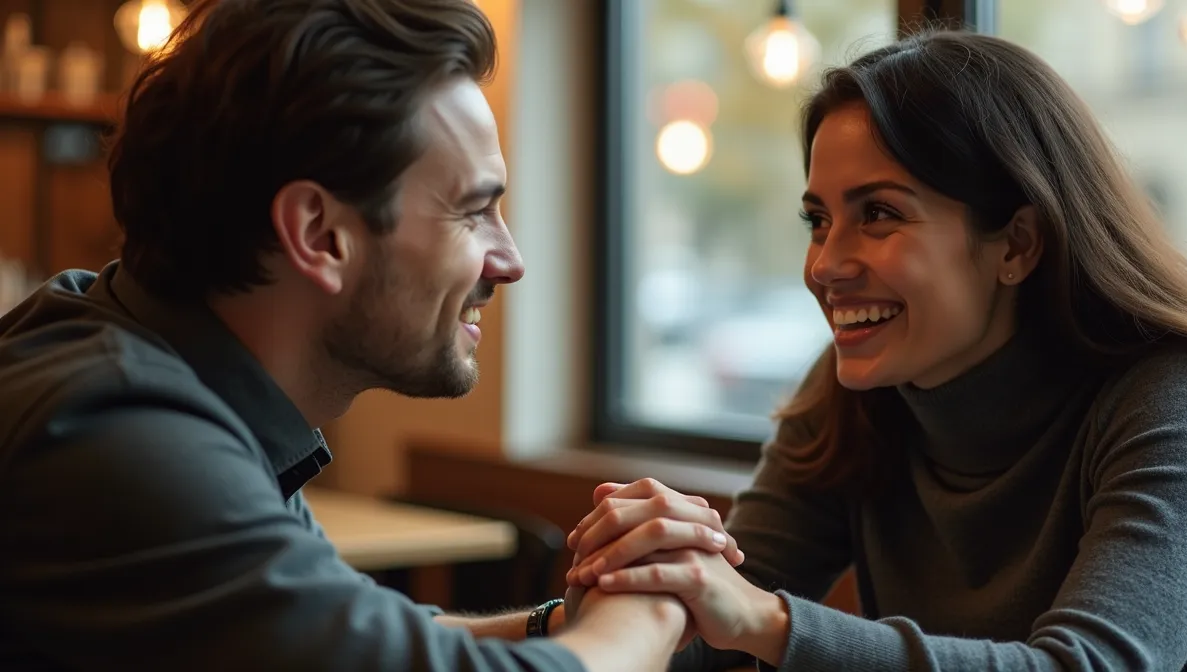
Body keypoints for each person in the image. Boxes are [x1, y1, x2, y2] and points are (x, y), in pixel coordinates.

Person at [0, 1, 738, 670]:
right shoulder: (116, 435)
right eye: (472, 212)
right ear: (319, 233)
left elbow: (359, 641)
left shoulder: (147, 354)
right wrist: (650, 601)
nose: (510, 261)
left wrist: (566, 624)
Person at [563, 30, 1187, 671]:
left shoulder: (1179, 394)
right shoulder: (863, 388)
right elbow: (710, 622)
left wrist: (764, 619)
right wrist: (627, 585)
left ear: (1016, 243)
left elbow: (1087, 666)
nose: (824, 265)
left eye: (879, 214)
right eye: (819, 220)